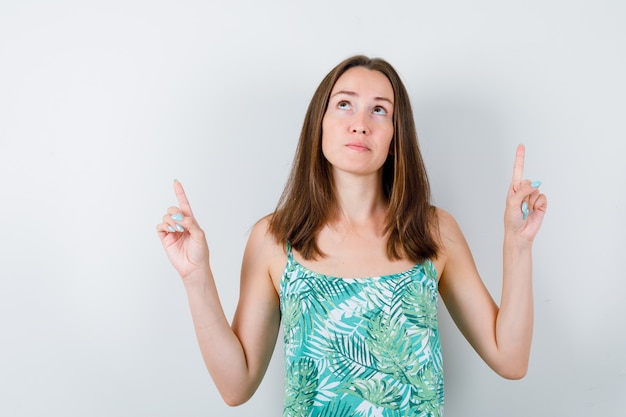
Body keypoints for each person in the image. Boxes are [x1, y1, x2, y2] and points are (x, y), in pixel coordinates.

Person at [157, 55, 547, 416]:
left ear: (396, 137)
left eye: (380, 110)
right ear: (320, 123)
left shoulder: (433, 232)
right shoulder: (274, 240)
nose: (360, 122)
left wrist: (518, 244)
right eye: (344, 104)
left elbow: (511, 360)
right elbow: (235, 387)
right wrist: (196, 278)